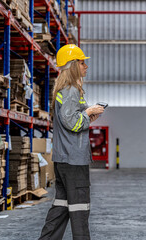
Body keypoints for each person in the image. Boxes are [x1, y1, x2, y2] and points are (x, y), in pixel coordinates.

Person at [39, 44, 104, 240]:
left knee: (62, 205)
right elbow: (72, 122)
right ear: (73, 64)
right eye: (82, 62)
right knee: (79, 209)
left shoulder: (64, 90)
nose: (86, 66)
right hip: (74, 160)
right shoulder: (70, 91)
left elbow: (72, 121)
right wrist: (89, 112)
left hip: (64, 159)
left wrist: (87, 118)